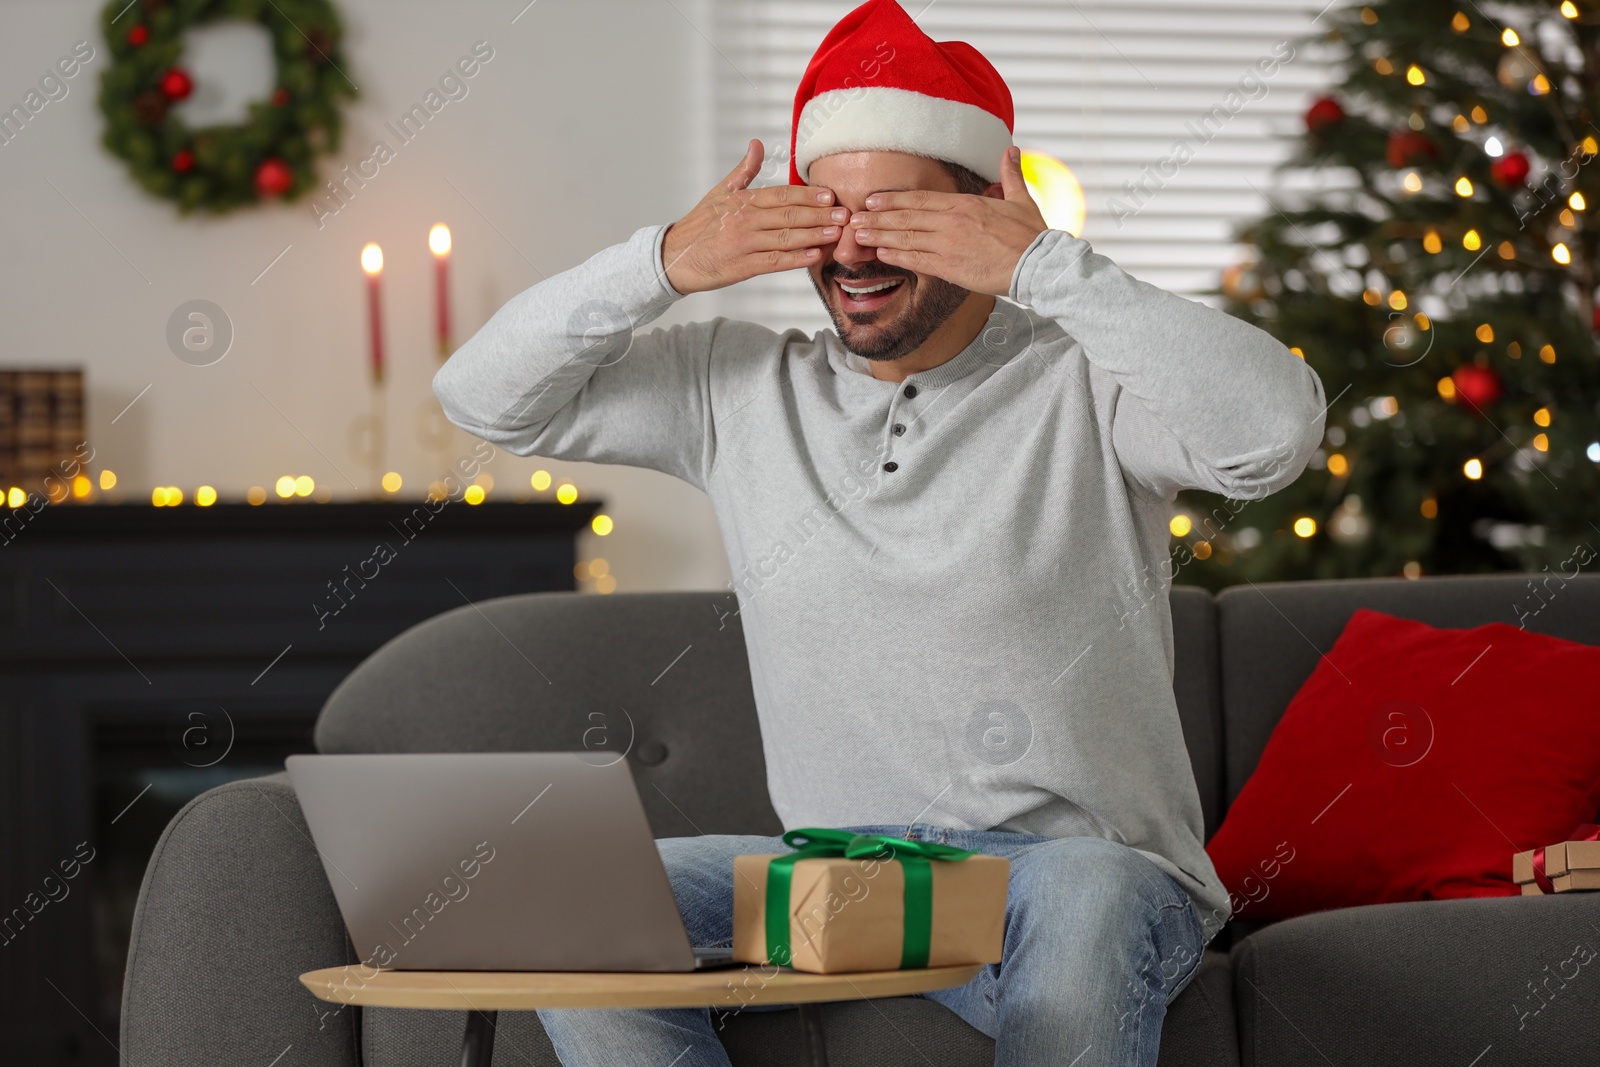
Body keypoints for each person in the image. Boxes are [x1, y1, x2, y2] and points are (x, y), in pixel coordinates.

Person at [432, 1, 1326, 1063]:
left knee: (1084, 889)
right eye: (827, 208)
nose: (851, 243)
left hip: (1080, 866)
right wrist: (661, 259)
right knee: (578, 901)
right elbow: (482, 397)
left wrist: (1048, 267)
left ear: (985, 214)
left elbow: (1272, 437)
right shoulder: (738, 387)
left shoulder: (1085, 382)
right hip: (847, 873)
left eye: (896, 214)